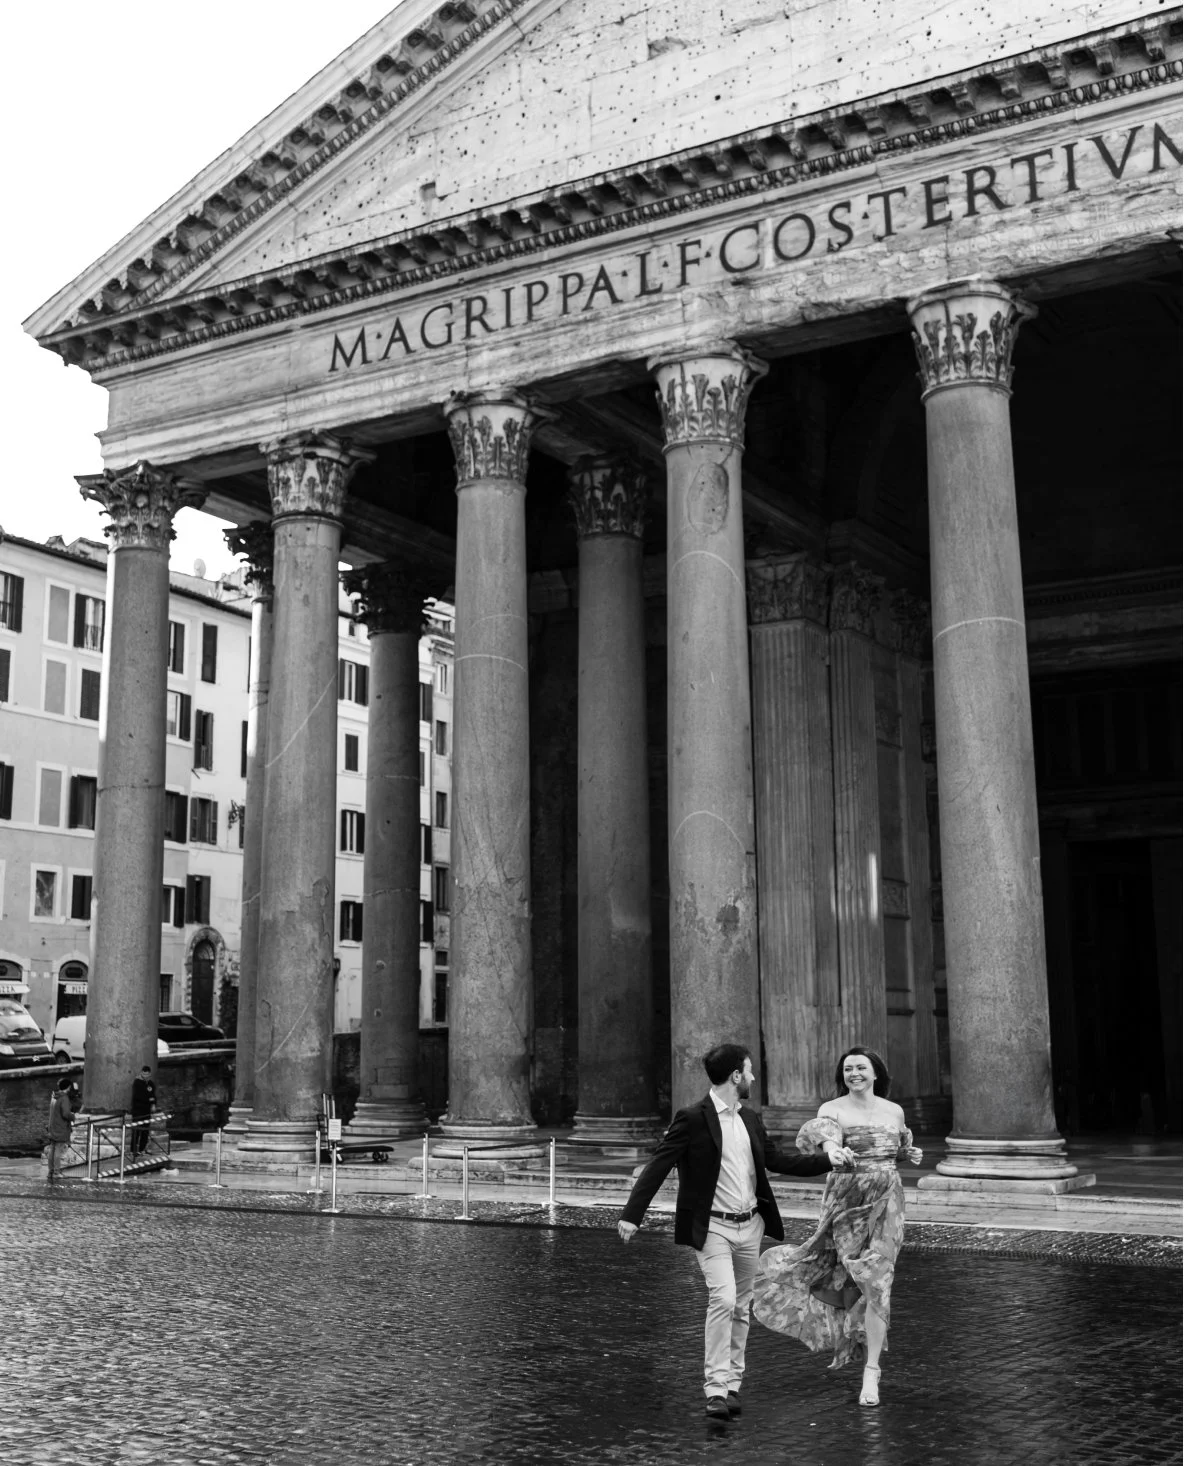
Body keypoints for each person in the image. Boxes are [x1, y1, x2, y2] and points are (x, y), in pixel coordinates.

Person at [618, 1042, 837, 1420]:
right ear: (736, 1076)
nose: (753, 1077)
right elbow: (659, 1164)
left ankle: (733, 1382)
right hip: (713, 1227)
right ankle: (715, 1389)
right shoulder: (692, 1118)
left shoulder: (750, 1119)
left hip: (751, 1225)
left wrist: (827, 1160)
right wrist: (632, 1214)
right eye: (749, 1071)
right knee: (722, 1299)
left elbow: (777, 1161)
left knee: (740, 1306)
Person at [752, 1045, 923, 1408]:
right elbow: (827, 1135)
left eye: (861, 1068)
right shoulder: (832, 1109)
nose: (854, 1074)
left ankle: (872, 1371)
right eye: (848, 1069)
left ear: (877, 1073)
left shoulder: (894, 1110)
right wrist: (836, 1150)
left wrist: (908, 1153)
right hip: (847, 1201)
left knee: (879, 1279)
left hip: (888, 1203)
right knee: (843, 1275)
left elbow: (898, 1144)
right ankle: (854, 1341)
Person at [46, 1077, 76, 1179]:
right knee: (58, 1150)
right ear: (68, 1087)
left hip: (53, 1127)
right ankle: (56, 1172)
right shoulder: (64, 1098)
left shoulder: (54, 1097)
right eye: (70, 1087)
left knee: (52, 1149)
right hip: (60, 1128)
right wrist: (73, 1116)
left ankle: (50, 1171)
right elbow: (66, 1114)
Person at [130, 1065, 157, 1156]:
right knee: (136, 1131)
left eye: (147, 1074)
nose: (145, 1076)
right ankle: (133, 1150)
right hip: (138, 1110)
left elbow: (153, 1095)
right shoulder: (137, 1083)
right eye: (144, 1074)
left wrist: (153, 1103)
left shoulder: (151, 1084)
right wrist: (149, 1100)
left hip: (147, 1111)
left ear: (149, 1074)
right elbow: (138, 1096)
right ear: (141, 1073)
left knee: (145, 1131)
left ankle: (142, 1149)